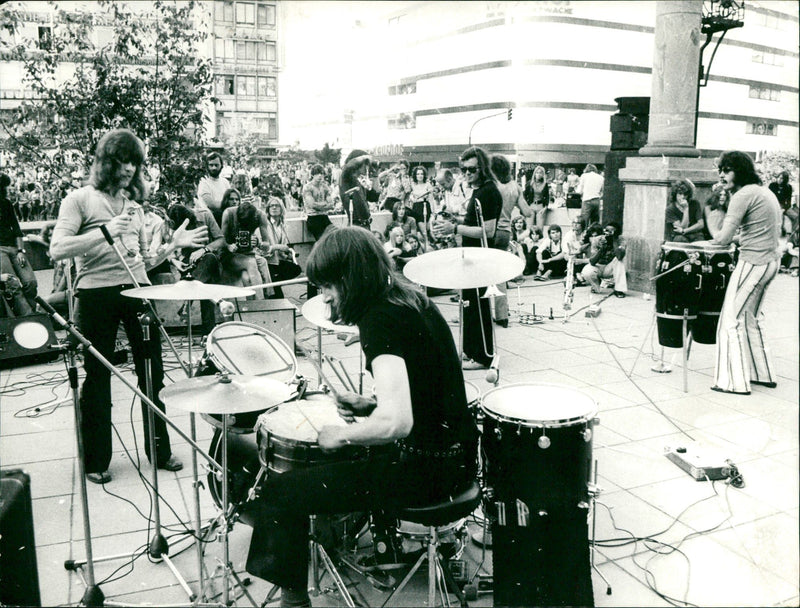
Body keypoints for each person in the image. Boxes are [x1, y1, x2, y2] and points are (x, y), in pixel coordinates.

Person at [244, 226, 479, 608]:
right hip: (460, 458)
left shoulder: (379, 321)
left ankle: (293, 601)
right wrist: (369, 406)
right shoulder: (409, 299)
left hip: (426, 471)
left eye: (327, 287)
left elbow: (396, 424)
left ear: (350, 278)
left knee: (280, 490)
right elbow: (429, 394)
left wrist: (341, 435)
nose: (325, 299)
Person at [50, 128, 209, 484]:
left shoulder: (135, 207)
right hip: (95, 295)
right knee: (98, 375)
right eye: (123, 161)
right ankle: (96, 460)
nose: (129, 169)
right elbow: (57, 249)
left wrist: (172, 246)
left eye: (135, 163)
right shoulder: (79, 199)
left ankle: (159, 449)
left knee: (152, 371)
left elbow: (143, 259)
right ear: (106, 162)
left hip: (137, 291)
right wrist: (104, 232)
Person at [704, 151, 782, 395]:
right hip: (771, 261)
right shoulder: (763, 191)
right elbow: (755, 230)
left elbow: (722, 238)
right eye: (720, 170)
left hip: (752, 262)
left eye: (727, 169)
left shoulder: (742, 194)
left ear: (740, 170)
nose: (722, 174)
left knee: (729, 321)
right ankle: (762, 374)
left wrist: (709, 216)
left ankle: (733, 382)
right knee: (751, 319)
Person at [432, 146, 502, 370]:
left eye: (471, 169)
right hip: (472, 254)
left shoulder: (488, 192)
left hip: (480, 254)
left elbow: (488, 231)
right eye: (463, 169)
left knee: (478, 307)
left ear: (482, 168)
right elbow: (474, 222)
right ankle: (471, 351)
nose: (467, 174)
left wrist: (454, 228)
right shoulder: (479, 191)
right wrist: (457, 220)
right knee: (470, 304)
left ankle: (482, 357)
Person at [490, 154, 533, 327]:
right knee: (499, 275)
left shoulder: (492, 185)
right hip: (505, 232)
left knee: (485, 273)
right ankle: (502, 315)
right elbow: (527, 212)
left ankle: (485, 314)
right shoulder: (515, 186)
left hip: (490, 231)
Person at [0, 172, 37, 315]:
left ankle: (29, 312)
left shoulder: (6, 203)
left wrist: (21, 251)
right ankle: (29, 318)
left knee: (30, 283)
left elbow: (16, 229)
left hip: (14, 248)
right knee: (12, 284)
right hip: (0, 250)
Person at [262, 196, 303, 299]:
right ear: (268, 209)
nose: (274, 208)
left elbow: (283, 248)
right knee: (278, 296)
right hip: (268, 261)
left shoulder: (282, 225)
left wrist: (286, 254)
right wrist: (279, 247)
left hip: (278, 260)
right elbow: (266, 248)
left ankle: (274, 284)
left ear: (281, 208)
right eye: (271, 206)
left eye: (277, 206)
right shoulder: (265, 224)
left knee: (296, 269)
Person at [581, 220, 627, 297]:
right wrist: (602, 249)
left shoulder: (621, 240)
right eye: (606, 231)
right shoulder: (597, 239)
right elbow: (592, 261)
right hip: (598, 266)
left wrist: (614, 241)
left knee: (619, 262)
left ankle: (619, 289)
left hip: (610, 268)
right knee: (587, 271)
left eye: (611, 232)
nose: (607, 233)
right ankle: (596, 287)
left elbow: (619, 257)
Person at [339, 149, 378, 230]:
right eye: (365, 164)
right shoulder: (347, 178)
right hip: (356, 225)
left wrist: (375, 174)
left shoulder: (359, 181)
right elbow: (348, 166)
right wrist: (365, 157)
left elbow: (375, 197)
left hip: (365, 225)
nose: (367, 167)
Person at [196, 151, 231, 228]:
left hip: (225, 216)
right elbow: (213, 206)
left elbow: (232, 200)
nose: (214, 168)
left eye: (216, 165)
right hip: (209, 219)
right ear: (207, 166)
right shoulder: (204, 182)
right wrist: (227, 204)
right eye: (211, 165)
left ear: (221, 166)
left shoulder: (225, 182)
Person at [302, 163, 336, 241]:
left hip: (324, 217)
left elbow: (331, 204)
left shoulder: (325, 186)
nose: (320, 176)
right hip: (313, 218)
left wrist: (322, 206)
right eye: (317, 174)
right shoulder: (307, 187)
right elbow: (312, 205)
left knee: (335, 237)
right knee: (322, 241)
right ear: (313, 175)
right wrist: (325, 205)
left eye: (322, 174)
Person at [665, 178, 705, 242]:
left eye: (685, 194)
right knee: (680, 240)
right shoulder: (670, 209)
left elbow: (701, 224)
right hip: (679, 236)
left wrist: (685, 231)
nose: (683, 197)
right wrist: (686, 209)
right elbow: (681, 228)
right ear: (675, 194)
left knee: (700, 240)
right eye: (680, 194)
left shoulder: (695, 203)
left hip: (695, 234)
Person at [769, 170, 797, 236]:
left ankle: (793, 234)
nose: (779, 179)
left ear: (785, 180)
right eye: (778, 177)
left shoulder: (788, 187)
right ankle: (781, 230)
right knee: (780, 215)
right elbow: (769, 198)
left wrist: (784, 208)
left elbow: (789, 201)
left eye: (782, 178)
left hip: (785, 206)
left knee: (796, 217)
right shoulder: (772, 185)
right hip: (774, 205)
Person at [522, 165, 549, 230]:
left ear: (543, 175)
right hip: (531, 206)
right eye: (537, 172)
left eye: (540, 173)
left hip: (540, 207)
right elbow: (524, 195)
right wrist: (526, 206)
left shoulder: (545, 184)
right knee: (528, 229)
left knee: (539, 229)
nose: (538, 174)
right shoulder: (530, 183)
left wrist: (545, 207)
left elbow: (547, 196)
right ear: (534, 174)